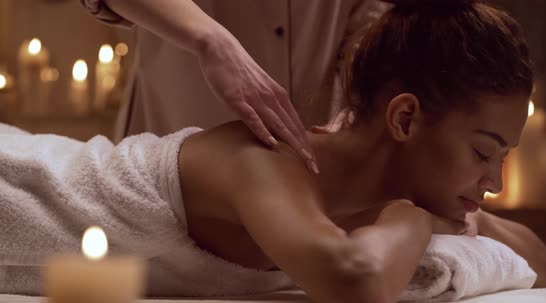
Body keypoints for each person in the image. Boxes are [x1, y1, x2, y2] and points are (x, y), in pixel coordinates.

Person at [1, 0, 546, 303]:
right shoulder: (266, 162)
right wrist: (411, 214)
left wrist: (452, 209)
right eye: (485, 153)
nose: (496, 182)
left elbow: (538, 264)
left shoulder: (369, 194)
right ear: (405, 118)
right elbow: (357, 281)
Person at [81, 0, 389, 173]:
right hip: (175, 135)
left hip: (308, 170)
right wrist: (212, 42)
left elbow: (366, 14)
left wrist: (366, 90)